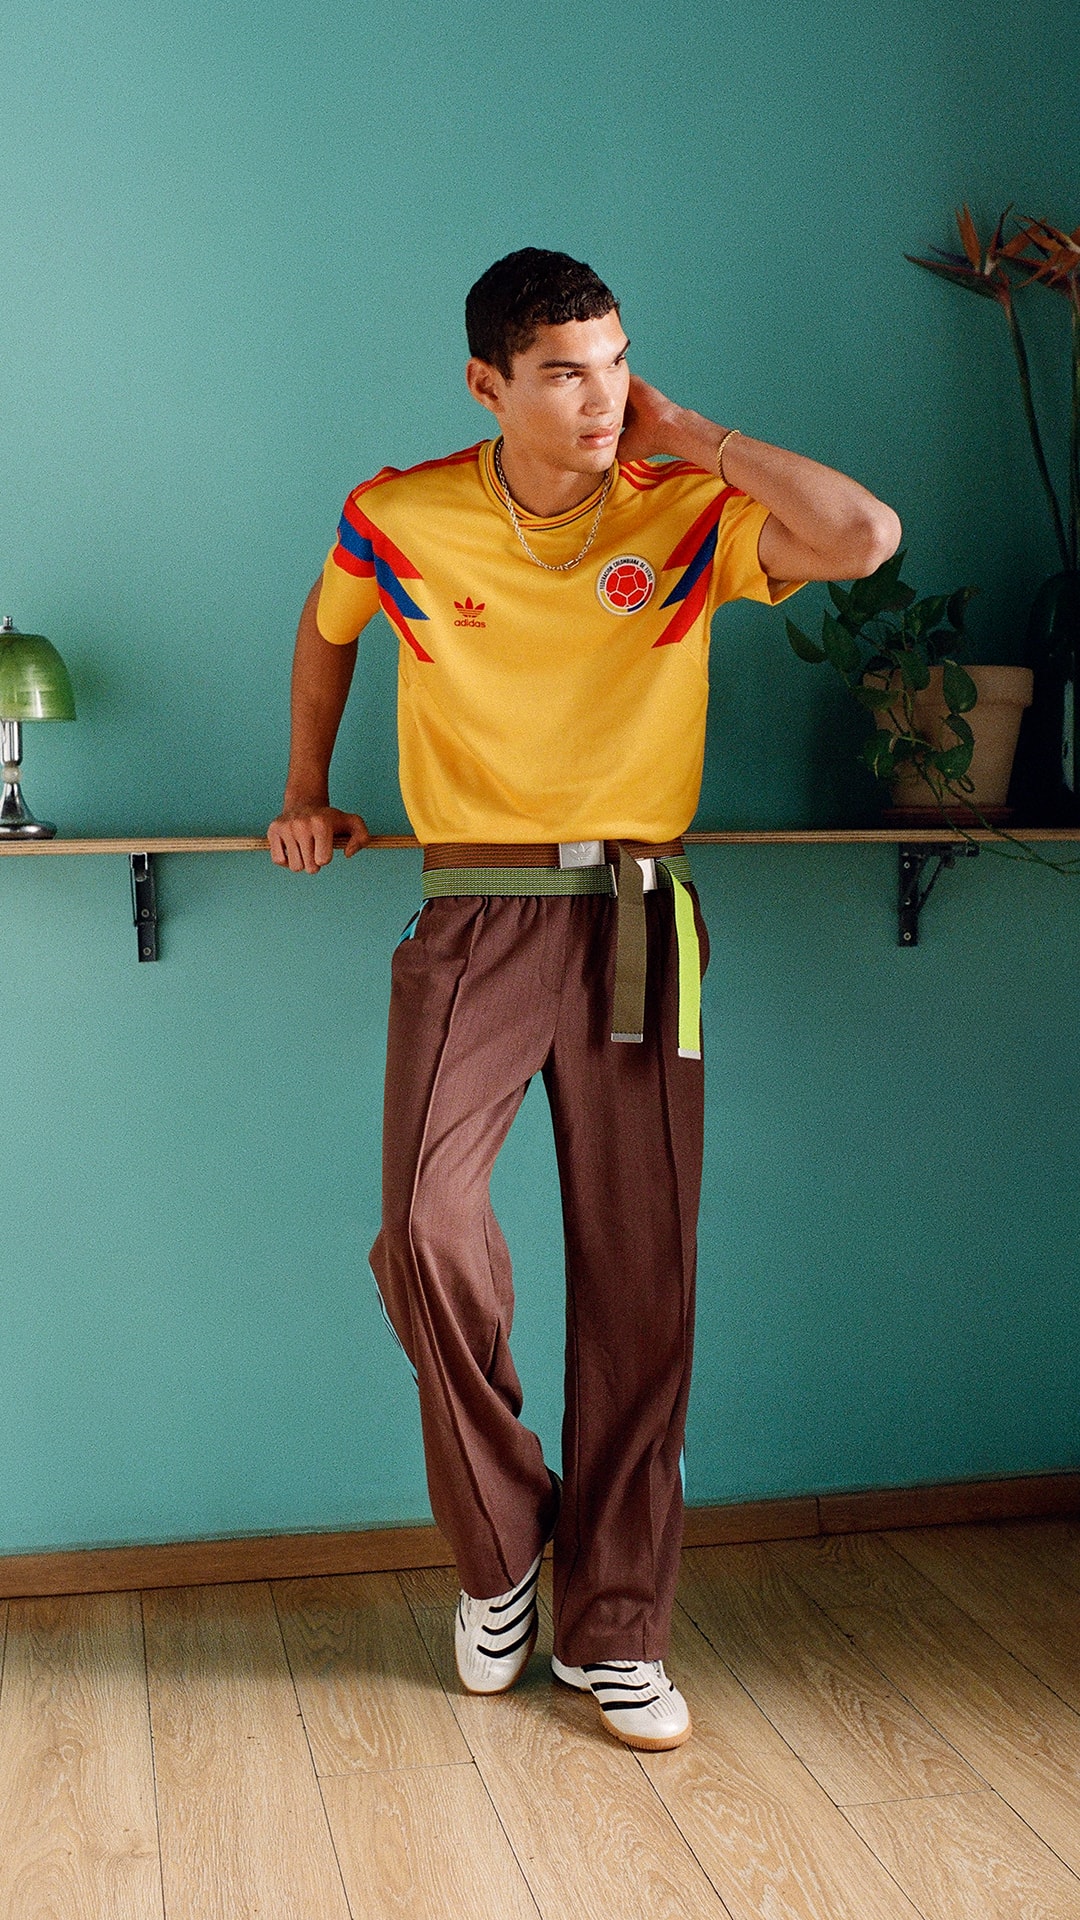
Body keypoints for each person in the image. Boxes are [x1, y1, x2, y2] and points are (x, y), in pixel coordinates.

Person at [269, 248, 901, 1752]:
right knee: (424, 1228)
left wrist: (697, 437)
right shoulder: (399, 516)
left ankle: (618, 1629)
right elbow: (329, 630)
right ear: (486, 385)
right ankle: (502, 1552)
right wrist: (305, 789)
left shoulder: (682, 510)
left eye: (613, 362)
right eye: (563, 371)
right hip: (475, 911)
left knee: (640, 1279)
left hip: (638, 915)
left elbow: (864, 537)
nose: (599, 395)